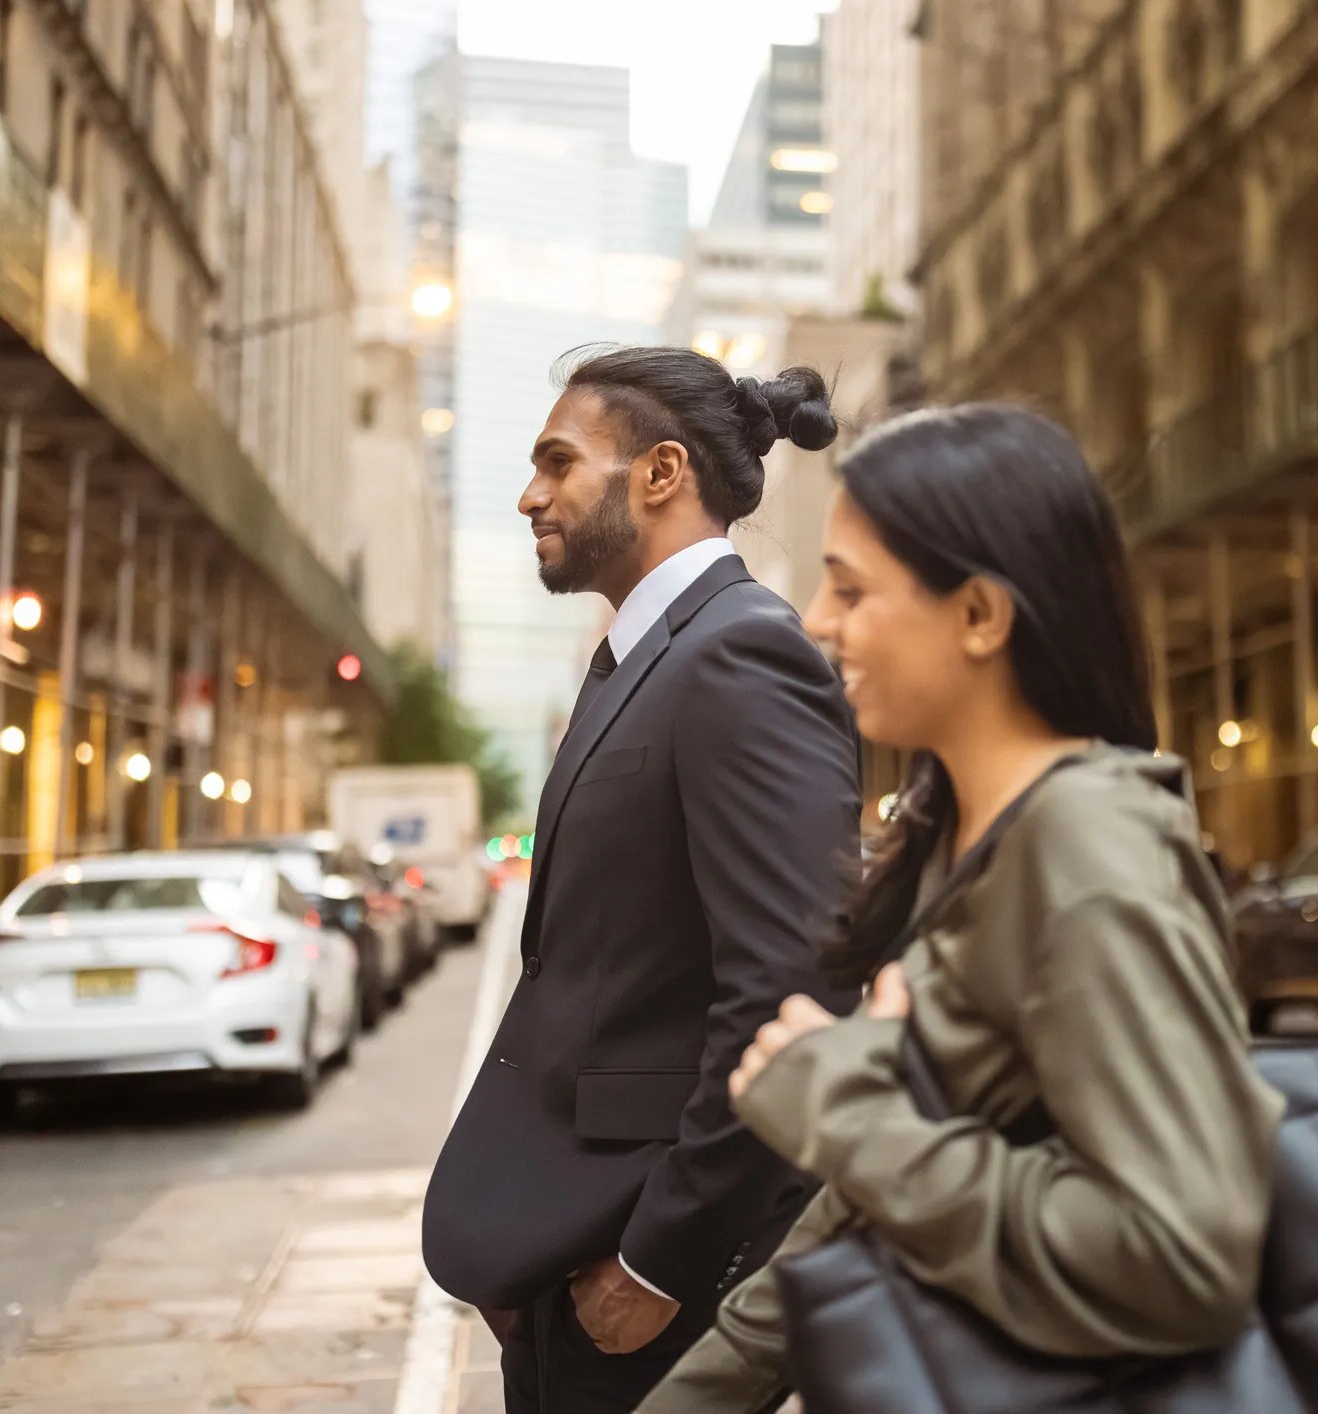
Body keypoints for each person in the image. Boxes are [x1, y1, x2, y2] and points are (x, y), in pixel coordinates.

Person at [639, 404, 1285, 1412]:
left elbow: (1181, 1259)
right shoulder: (962, 832)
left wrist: (842, 1110)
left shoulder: (1087, 846)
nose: (814, 617)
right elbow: (860, 1213)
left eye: (851, 588)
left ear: (980, 615)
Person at [420, 348, 862, 1413]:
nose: (530, 494)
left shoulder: (741, 654)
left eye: (557, 462)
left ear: (660, 473)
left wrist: (660, 1265)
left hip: (649, 1289)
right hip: (567, 1258)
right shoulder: (650, 653)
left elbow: (787, 997)